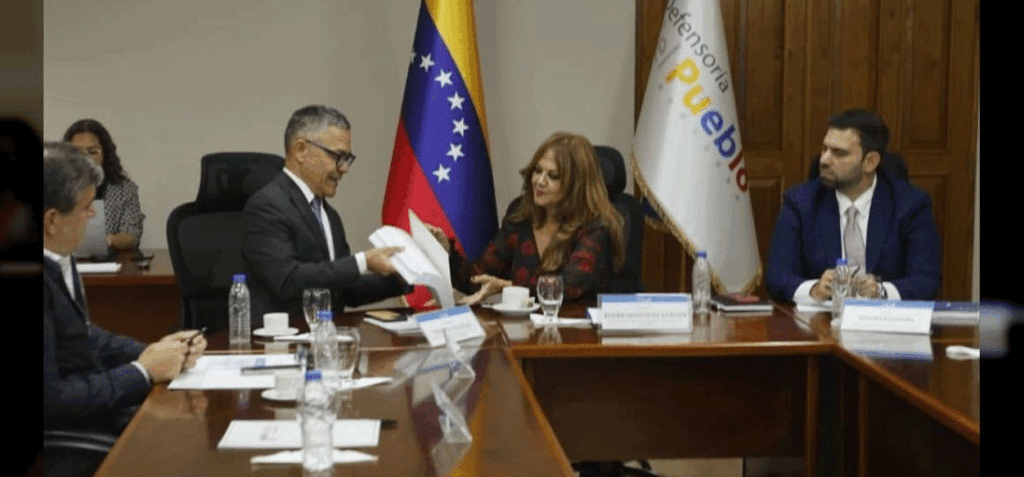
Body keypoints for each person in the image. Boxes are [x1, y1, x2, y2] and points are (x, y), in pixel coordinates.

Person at [43, 142, 207, 437]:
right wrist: (142, 372)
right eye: (86, 208)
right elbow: (52, 401)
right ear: (52, 220)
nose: (92, 217)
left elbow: (83, 338)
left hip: (95, 416)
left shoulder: (61, 260)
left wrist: (156, 351)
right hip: (72, 435)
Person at [242, 105, 409, 327]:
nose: (344, 169)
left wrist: (406, 274)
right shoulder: (267, 206)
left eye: (347, 159)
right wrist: (363, 261)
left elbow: (346, 291)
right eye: (338, 156)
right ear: (301, 150)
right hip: (281, 340)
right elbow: (288, 280)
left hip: (327, 339)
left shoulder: (329, 215)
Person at [766, 109, 941, 302]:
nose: (824, 160)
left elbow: (926, 280)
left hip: (885, 317)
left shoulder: (911, 205)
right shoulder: (801, 202)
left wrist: (881, 291)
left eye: (839, 153)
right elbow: (777, 277)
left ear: (870, 162)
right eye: (825, 149)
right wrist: (814, 289)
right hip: (823, 318)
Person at [428, 132, 625, 304]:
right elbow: (478, 279)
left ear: (576, 185)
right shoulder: (521, 216)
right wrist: (446, 252)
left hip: (579, 332)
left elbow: (568, 288)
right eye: (538, 171)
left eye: (553, 176)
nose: (539, 181)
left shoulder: (596, 226)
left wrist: (508, 288)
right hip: (524, 331)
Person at [63, 119, 145, 250]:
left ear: (105, 154)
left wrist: (103, 241)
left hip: (109, 259)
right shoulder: (53, 188)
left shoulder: (124, 189)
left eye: (92, 152)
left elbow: (133, 235)